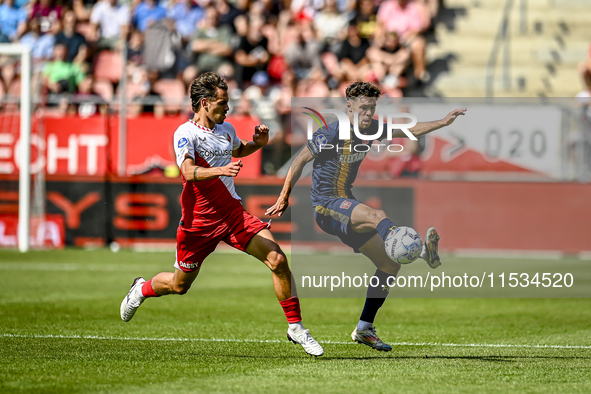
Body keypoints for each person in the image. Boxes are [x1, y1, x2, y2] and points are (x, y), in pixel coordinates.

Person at [120, 72, 324, 357]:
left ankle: (296, 328)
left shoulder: (226, 129)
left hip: (232, 215)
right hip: (198, 224)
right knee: (179, 286)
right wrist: (220, 170)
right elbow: (188, 172)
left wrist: (259, 144)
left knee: (278, 259)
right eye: (222, 103)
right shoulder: (185, 133)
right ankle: (141, 290)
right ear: (204, 103)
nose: (227, 108)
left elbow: (239, 149)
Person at [266, 81, 466, 351]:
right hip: (326, 205)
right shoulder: (334, 130)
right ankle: (420, 253)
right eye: (363, 107)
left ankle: (364, 327)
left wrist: (442, 122)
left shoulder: (371, 128)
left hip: (345, 202)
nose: (368, 112)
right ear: (349, 106)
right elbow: (301, 159)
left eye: (372, 107)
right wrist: (284, 196)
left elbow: (407, 130)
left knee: (389, 265)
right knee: (376, 214)